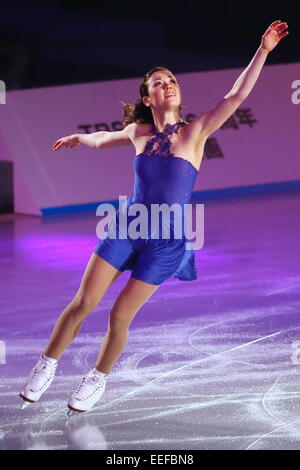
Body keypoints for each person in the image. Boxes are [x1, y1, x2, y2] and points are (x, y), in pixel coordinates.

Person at [19, 20, 289, 415]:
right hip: (128, 228)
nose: (168, 84)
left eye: (172, 80)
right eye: (159, 82)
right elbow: (102, 139)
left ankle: (97, 378)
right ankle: (47, 364)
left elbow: (235, 96)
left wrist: (263, 51)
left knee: (119, 315)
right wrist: (80, 138)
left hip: (167, 242)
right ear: (147, 97)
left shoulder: (195, 132)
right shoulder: (138, 132)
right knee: (83, 302)